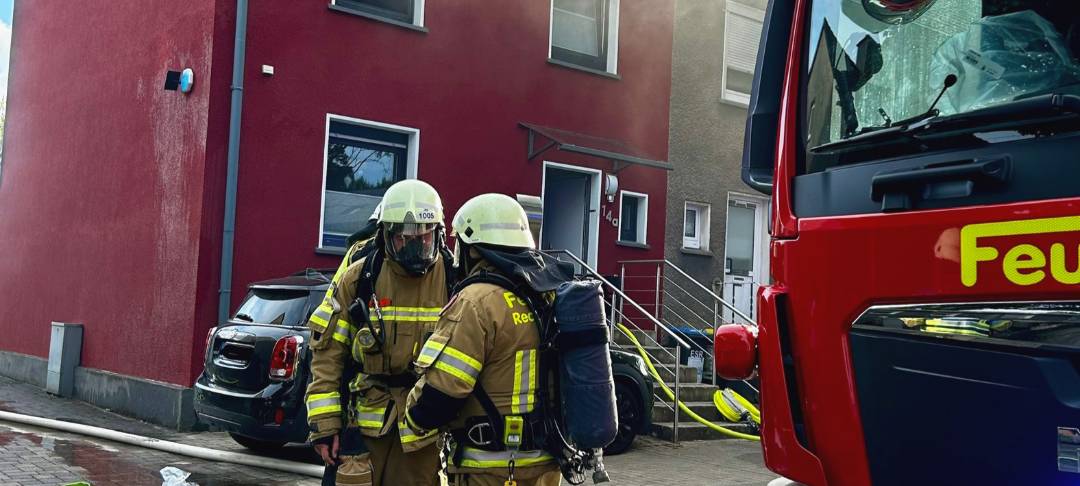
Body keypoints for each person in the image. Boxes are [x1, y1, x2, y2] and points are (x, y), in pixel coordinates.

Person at [404, 193, 563, 486]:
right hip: (547, 464)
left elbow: (443, 394)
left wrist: (413, 419)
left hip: (491, 468)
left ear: (474, 250)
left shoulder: (475, 302)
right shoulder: (547, 294)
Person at [305, 179, 451, 486]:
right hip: (365, 427)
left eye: (423, 237)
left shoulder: (455, 281)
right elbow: (328, 356)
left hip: (425, 429)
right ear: (385, 235)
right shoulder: (359, 279)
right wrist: (325, 426)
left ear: (438, 233)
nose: (414, 247)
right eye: (403, 238)